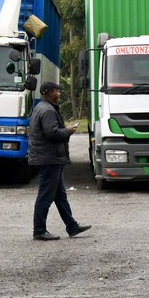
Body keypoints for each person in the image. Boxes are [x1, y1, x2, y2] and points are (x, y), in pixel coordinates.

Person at [28, 81, 91, 241]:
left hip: (50, 158)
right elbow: (52, 133)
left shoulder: (41, 107)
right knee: (45, 196)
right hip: (49, 159)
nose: (59, 93)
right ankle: (39, 231)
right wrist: (68, 131)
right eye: (57, 90)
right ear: (49, 93)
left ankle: (72, 226)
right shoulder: (48, 110)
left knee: (60, 196)